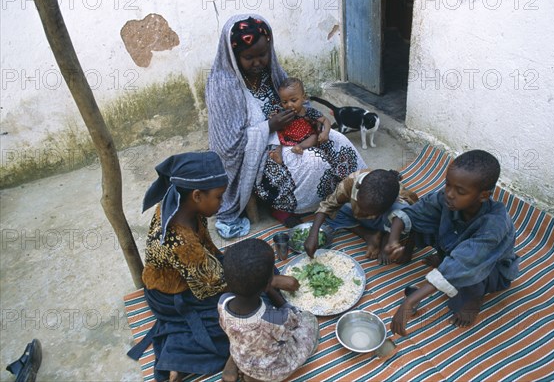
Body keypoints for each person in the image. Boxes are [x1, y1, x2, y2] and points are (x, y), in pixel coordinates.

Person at [126, 151, 299, 382]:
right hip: (173, 295)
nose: (222, 203)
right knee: (250, 310)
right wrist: (269, 283)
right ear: (197, 195)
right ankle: (180, 359)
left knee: (257, 267)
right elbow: (207, 288)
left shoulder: (182, 203)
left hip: (198, 272)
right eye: (219, 197)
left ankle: (231, 348)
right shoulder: (181, 241)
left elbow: (208, 254)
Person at [206, 14, 366, 237]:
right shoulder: (222, 86)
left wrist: (323, 124)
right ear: (233, 56)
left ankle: (362, 190)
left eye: (263, 54)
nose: (258, 62)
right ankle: (287, 206)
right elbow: (227, 147)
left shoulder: (271, 72)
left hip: (295, 134)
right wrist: (269, 126)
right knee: (312, 162)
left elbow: (300, 102)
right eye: (248, 57)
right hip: (260, 154)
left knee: (339, 141)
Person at [387, 150, 520, 335]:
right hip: (456, 245)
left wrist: (409, 302)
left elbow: (466, 262)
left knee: (461, 291)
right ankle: (417, 254)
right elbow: (416, 211)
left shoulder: (494, 224)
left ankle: (475, 299)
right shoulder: (447, 199)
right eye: (448, 184)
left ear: (483, 195)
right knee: (424, 220)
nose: (449, 194)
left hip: (488, 267)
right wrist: (393, 241)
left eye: (460, 191)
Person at [218, 238, 319, 382]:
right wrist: (279, 299)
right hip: (271, 369)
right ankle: (257, 378)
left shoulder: (223, 301)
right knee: (309, 320)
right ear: (268, 283)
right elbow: (293, 320)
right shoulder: (273, 318)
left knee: (243, 338)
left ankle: (237, 363)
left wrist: (267, 287)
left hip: (243, 353)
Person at [304, 169, 418, 263]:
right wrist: (313, 234)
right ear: (358, 191)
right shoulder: (351, 183)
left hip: (385, 221)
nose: (365, 215)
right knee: (333, 211)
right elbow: (327, 205)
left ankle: (385, 235)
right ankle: (369, 235)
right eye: (361, 206)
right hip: (358, 216)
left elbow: (417, 222)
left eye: (370, 213)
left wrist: (405, 251)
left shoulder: (401, 199)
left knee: (402, 217)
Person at [269, 77, 331, 162]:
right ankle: (278, 155)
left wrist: (325, 133)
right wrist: (273, 117)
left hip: (305, 137)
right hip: (287, 138)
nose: (289, 105)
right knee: (277, 137)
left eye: (293, 100)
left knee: (314, 137)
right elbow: (275, 120)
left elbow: (325, 120)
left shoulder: (308, 112)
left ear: (304, 98)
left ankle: (300, 147)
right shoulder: (283, 112)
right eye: (284, 102)